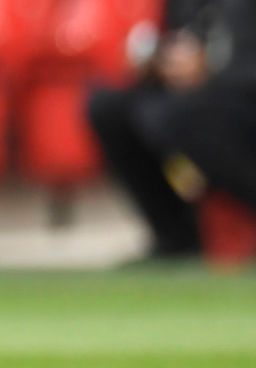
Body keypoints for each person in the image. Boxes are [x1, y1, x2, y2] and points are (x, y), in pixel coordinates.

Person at [87, 0, 256, 259]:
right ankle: (177, 239)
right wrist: (159, 62)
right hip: (196, 97)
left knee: (171, 117)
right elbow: (181, 35)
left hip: (241, 96)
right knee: (109, 108)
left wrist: (211, 66)